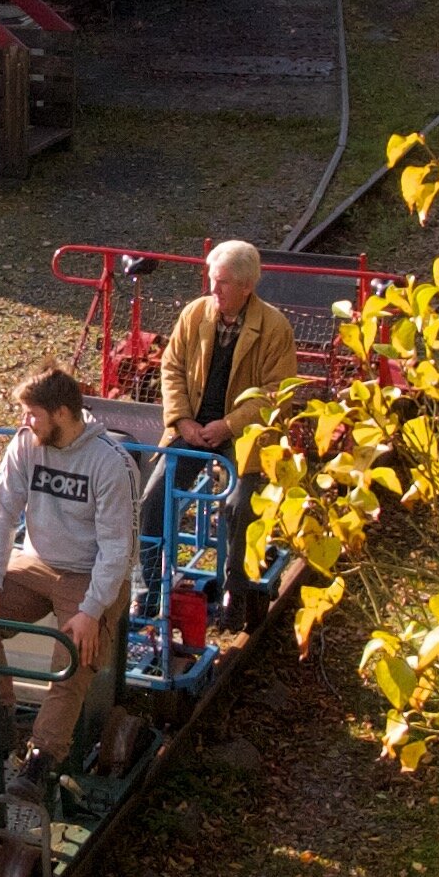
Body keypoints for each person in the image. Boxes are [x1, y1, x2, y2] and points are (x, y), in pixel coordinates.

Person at [0, 368, 138, 778]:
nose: (25, 422)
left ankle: (44, 757)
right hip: (38, 561)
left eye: (32, 413)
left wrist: (92, 610)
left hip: (91, 573)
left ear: (61, 413)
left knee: (73, 653)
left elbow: (118, 549)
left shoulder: (111, 464)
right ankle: (1, 720)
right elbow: (2, 512)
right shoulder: (26, 446)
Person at [159, 239, 300, 605]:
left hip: (243, 435)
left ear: (246, 286)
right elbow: (171, 366)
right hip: (192, 428)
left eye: (221, 282)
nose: (212, 289)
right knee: (153, 496)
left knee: (239, 507)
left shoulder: (274, 327)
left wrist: (229, 425)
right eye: (211, 279)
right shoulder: (195, 314)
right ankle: (148, 583)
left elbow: (276, 393)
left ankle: (235, 592)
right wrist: (182, 420)